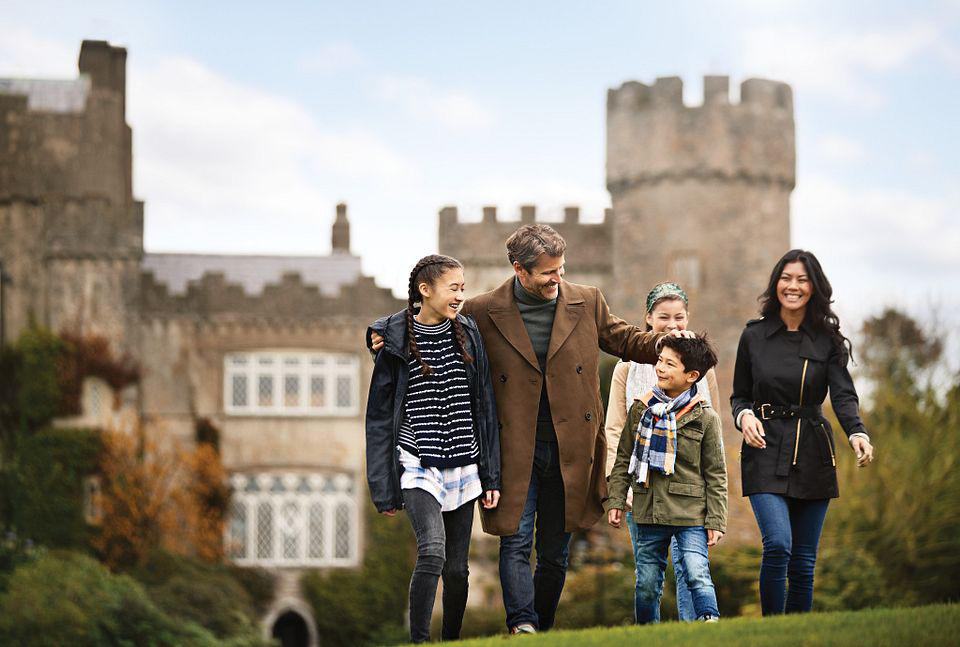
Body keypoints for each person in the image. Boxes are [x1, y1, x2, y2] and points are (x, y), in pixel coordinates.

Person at [369, 224, 694, 634]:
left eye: (561, 268)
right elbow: (428, 318)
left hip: (569, 446)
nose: (558, 278)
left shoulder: (587, 300)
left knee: (555, 554)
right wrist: (381, 331)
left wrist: (666, 342)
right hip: (515, 446)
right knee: (516, 541)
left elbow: (625, 340)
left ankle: (540, 626)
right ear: (520, 270)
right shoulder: (483, 310)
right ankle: (522, 624)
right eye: (548, 272)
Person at [364, 254, 501, 644]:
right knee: (432, 551)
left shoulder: (469, 334)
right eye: (453, 288)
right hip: (418, 462)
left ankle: (451, 639)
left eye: (463, 288)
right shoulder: (394, 337)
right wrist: (384, 488)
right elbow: (379, 419)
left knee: (457, 570)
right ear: (425, 290)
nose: (460, 296)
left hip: (463, 461)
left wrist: (491, 475)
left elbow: (484, 406)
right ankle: (421, 641)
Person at [731, 249, 875, 616]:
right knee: (778, 545)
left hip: (813, 451)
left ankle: (795, 632)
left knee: (804, 561)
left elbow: (843, 396)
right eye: (786, 278)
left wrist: (857, 433)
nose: (792, 286)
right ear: (776, 283)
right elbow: (739, 396)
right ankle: (771, 631)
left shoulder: (829, 341)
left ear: (814, 287)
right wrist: (744, 416)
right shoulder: (753, 336)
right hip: (763, 448)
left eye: (802, 279)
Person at [604, 281, 721, 622]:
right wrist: (617, 487)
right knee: (648, 574)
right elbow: (615, 430)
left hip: (688, 491)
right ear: (648, 319)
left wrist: (713, 504)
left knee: (691, 567)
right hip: (643, 489)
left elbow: (711, 434)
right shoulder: (626, 368)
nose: (672, 325)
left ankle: (695, 630)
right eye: (663, 317)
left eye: (679, 317)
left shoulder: (701, 370)